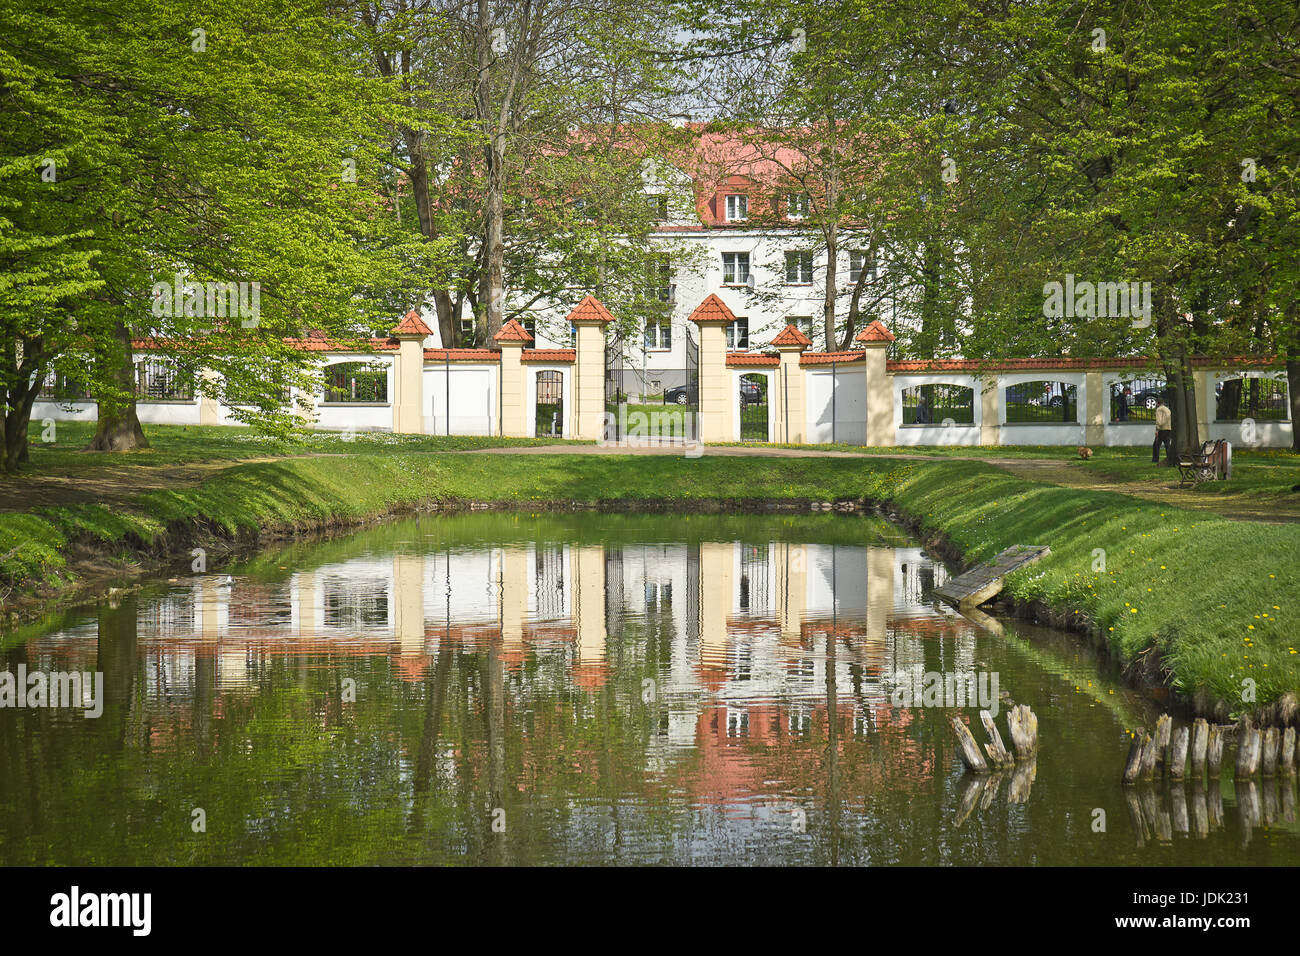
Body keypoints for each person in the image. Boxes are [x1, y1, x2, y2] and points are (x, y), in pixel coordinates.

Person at [1152, 397, 1173, 464]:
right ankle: (1169, 458)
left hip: (1162, 429)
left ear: (1157, 403)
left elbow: (1159, 420)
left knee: (1156, 445)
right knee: (1167, 445)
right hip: (1168, 429)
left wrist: (1157, 429)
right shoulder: (1167, 409)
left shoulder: (1159, 409)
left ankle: (1155, 459)